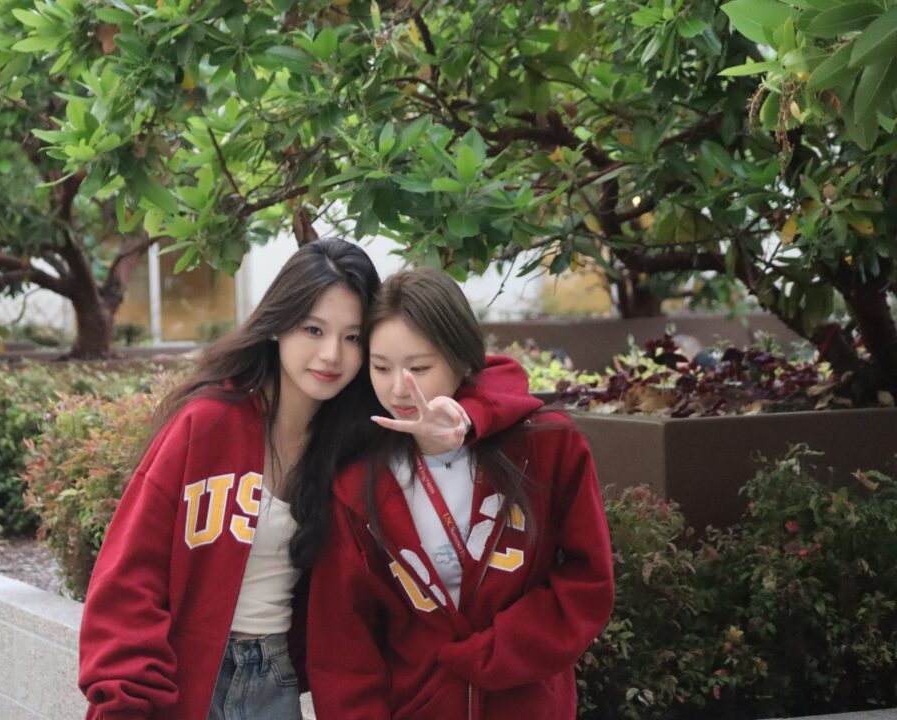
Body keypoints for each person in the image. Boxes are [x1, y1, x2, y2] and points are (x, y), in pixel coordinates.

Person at [78, 242, 534, 720]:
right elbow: (130, 577)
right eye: (313, 329)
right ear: (278, 324)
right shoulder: (208, 424)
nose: (331, 354)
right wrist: (124, 702)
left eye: (353, 338)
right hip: (184, 685)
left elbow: (501, 380)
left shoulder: (361, 436)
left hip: (276, 684)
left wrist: (468, 417)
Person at [307, 267, 615, 720]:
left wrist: (497, 652)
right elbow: (343, 642)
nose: (398, 388)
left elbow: (588, 582)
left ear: (462, 359)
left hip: (527, 703)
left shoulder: (548, 446)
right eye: (381, 367)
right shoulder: (356, 484)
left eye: (419, 368)